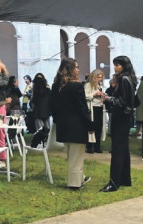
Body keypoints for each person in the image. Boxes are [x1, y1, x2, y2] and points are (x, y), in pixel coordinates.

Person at [50, 58, 93, 190]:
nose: (78, 70)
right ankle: (74, 184)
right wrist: (90, 124)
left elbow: (52, 106)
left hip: (63, 125)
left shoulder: (56, 86)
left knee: (72, 155)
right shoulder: (76, 86)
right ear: (70, 69)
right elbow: (82, 107)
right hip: (77, 126)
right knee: (76, 157)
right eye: (76, 67)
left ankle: (80, 178)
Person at [100, 56, 137, 192]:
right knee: (123, 149)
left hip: (121, 118)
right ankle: (125, 179)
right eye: (115, 64)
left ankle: (114, 182)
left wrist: (107, 100)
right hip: (125, 118)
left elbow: (123, 101)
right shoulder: (129, 78)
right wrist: (110, 98)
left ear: (124, 66)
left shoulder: (123, 79)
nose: (115, 67)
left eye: (117, 65)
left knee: (117, 150)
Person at [83, 69, 106, 153]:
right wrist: (94, 94)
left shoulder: (101, 86)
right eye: (98, 77)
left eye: (101, 77)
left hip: (100, 108)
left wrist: (103, 97)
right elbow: (85, 95)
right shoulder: (88, 85)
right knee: (91, 128)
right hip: (92, 108)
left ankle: (97, 147)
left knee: (99, 128)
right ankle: (89, 147)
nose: (100, 79)